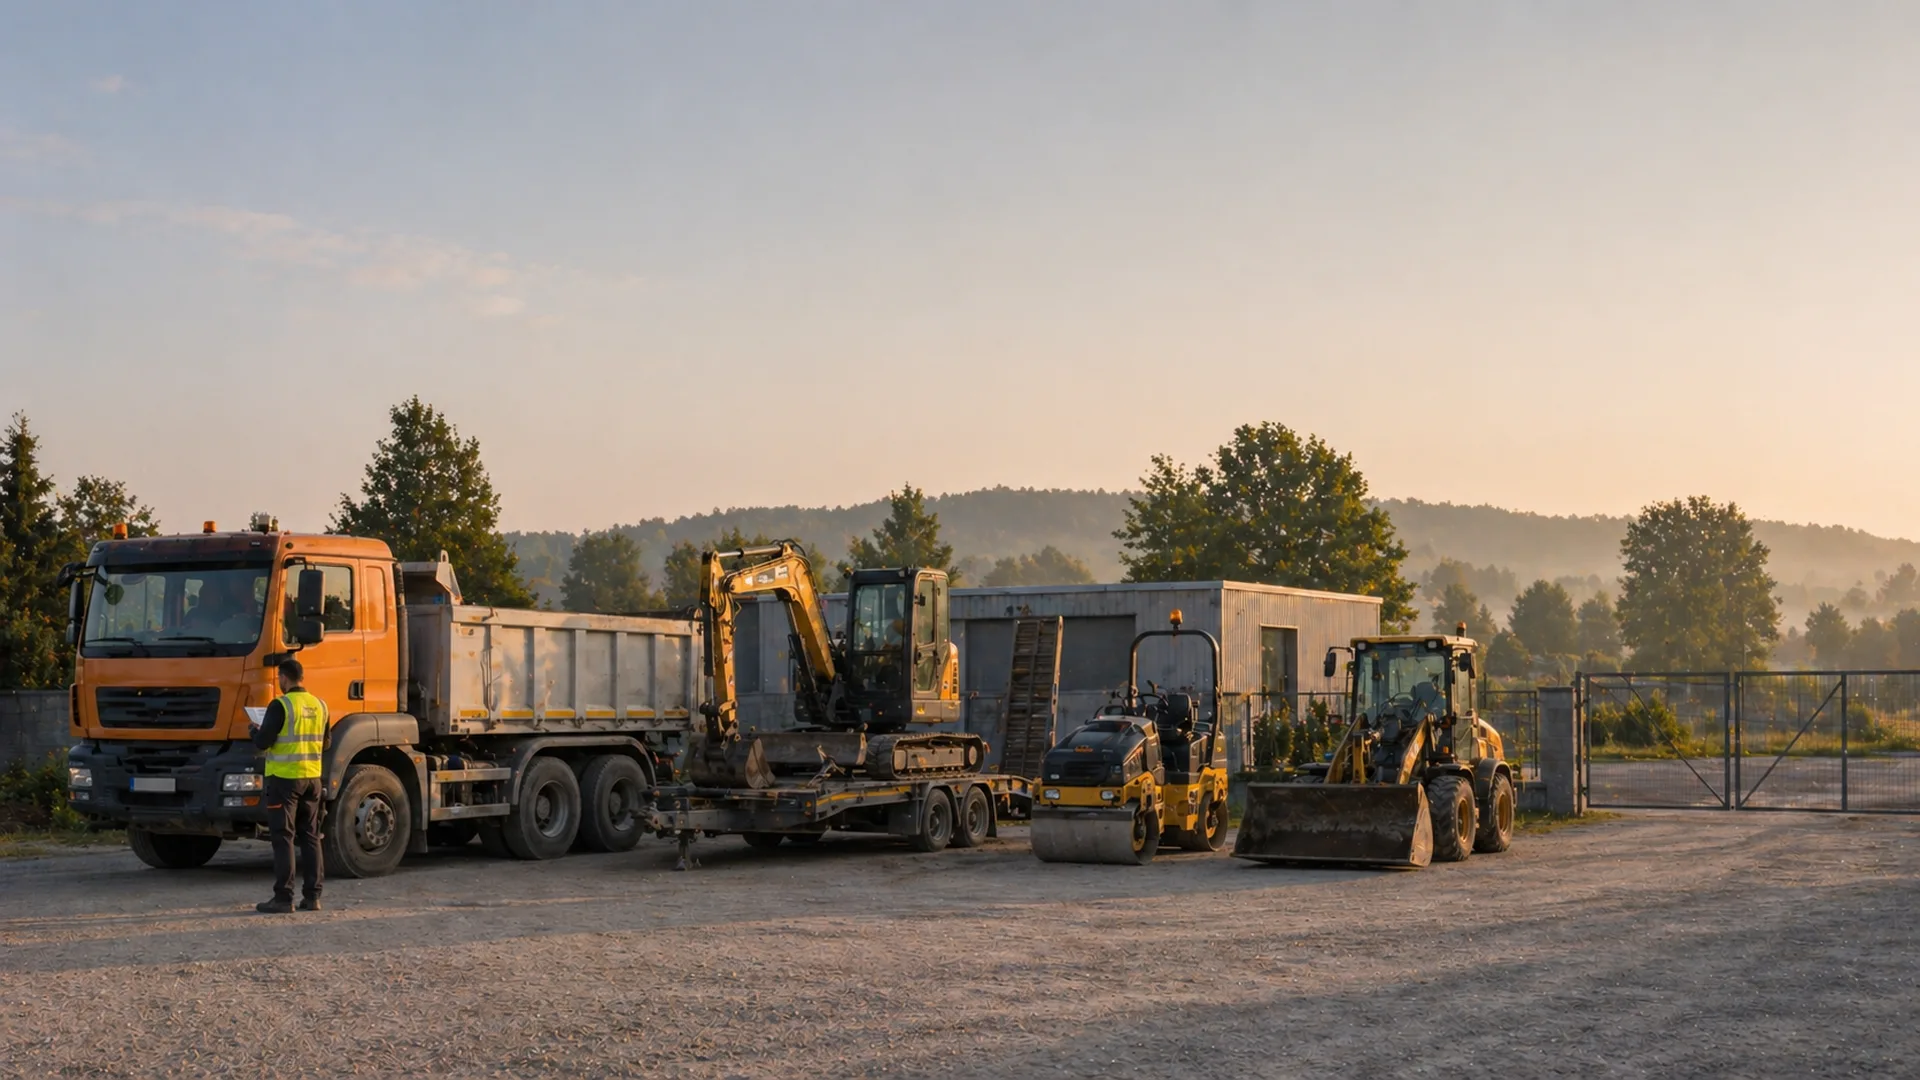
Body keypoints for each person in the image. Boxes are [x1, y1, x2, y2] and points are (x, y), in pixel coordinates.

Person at [252, 658, 328, 913]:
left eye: (279, 679)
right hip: (313, 779)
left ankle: (284, 898)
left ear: (284, 677)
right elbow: (326, 743)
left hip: (284, 780)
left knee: (283, 837)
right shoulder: (320, 705)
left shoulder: (280, 705)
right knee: (311, 837)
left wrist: (254, 731)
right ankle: (313, 897)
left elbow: (263, 742)